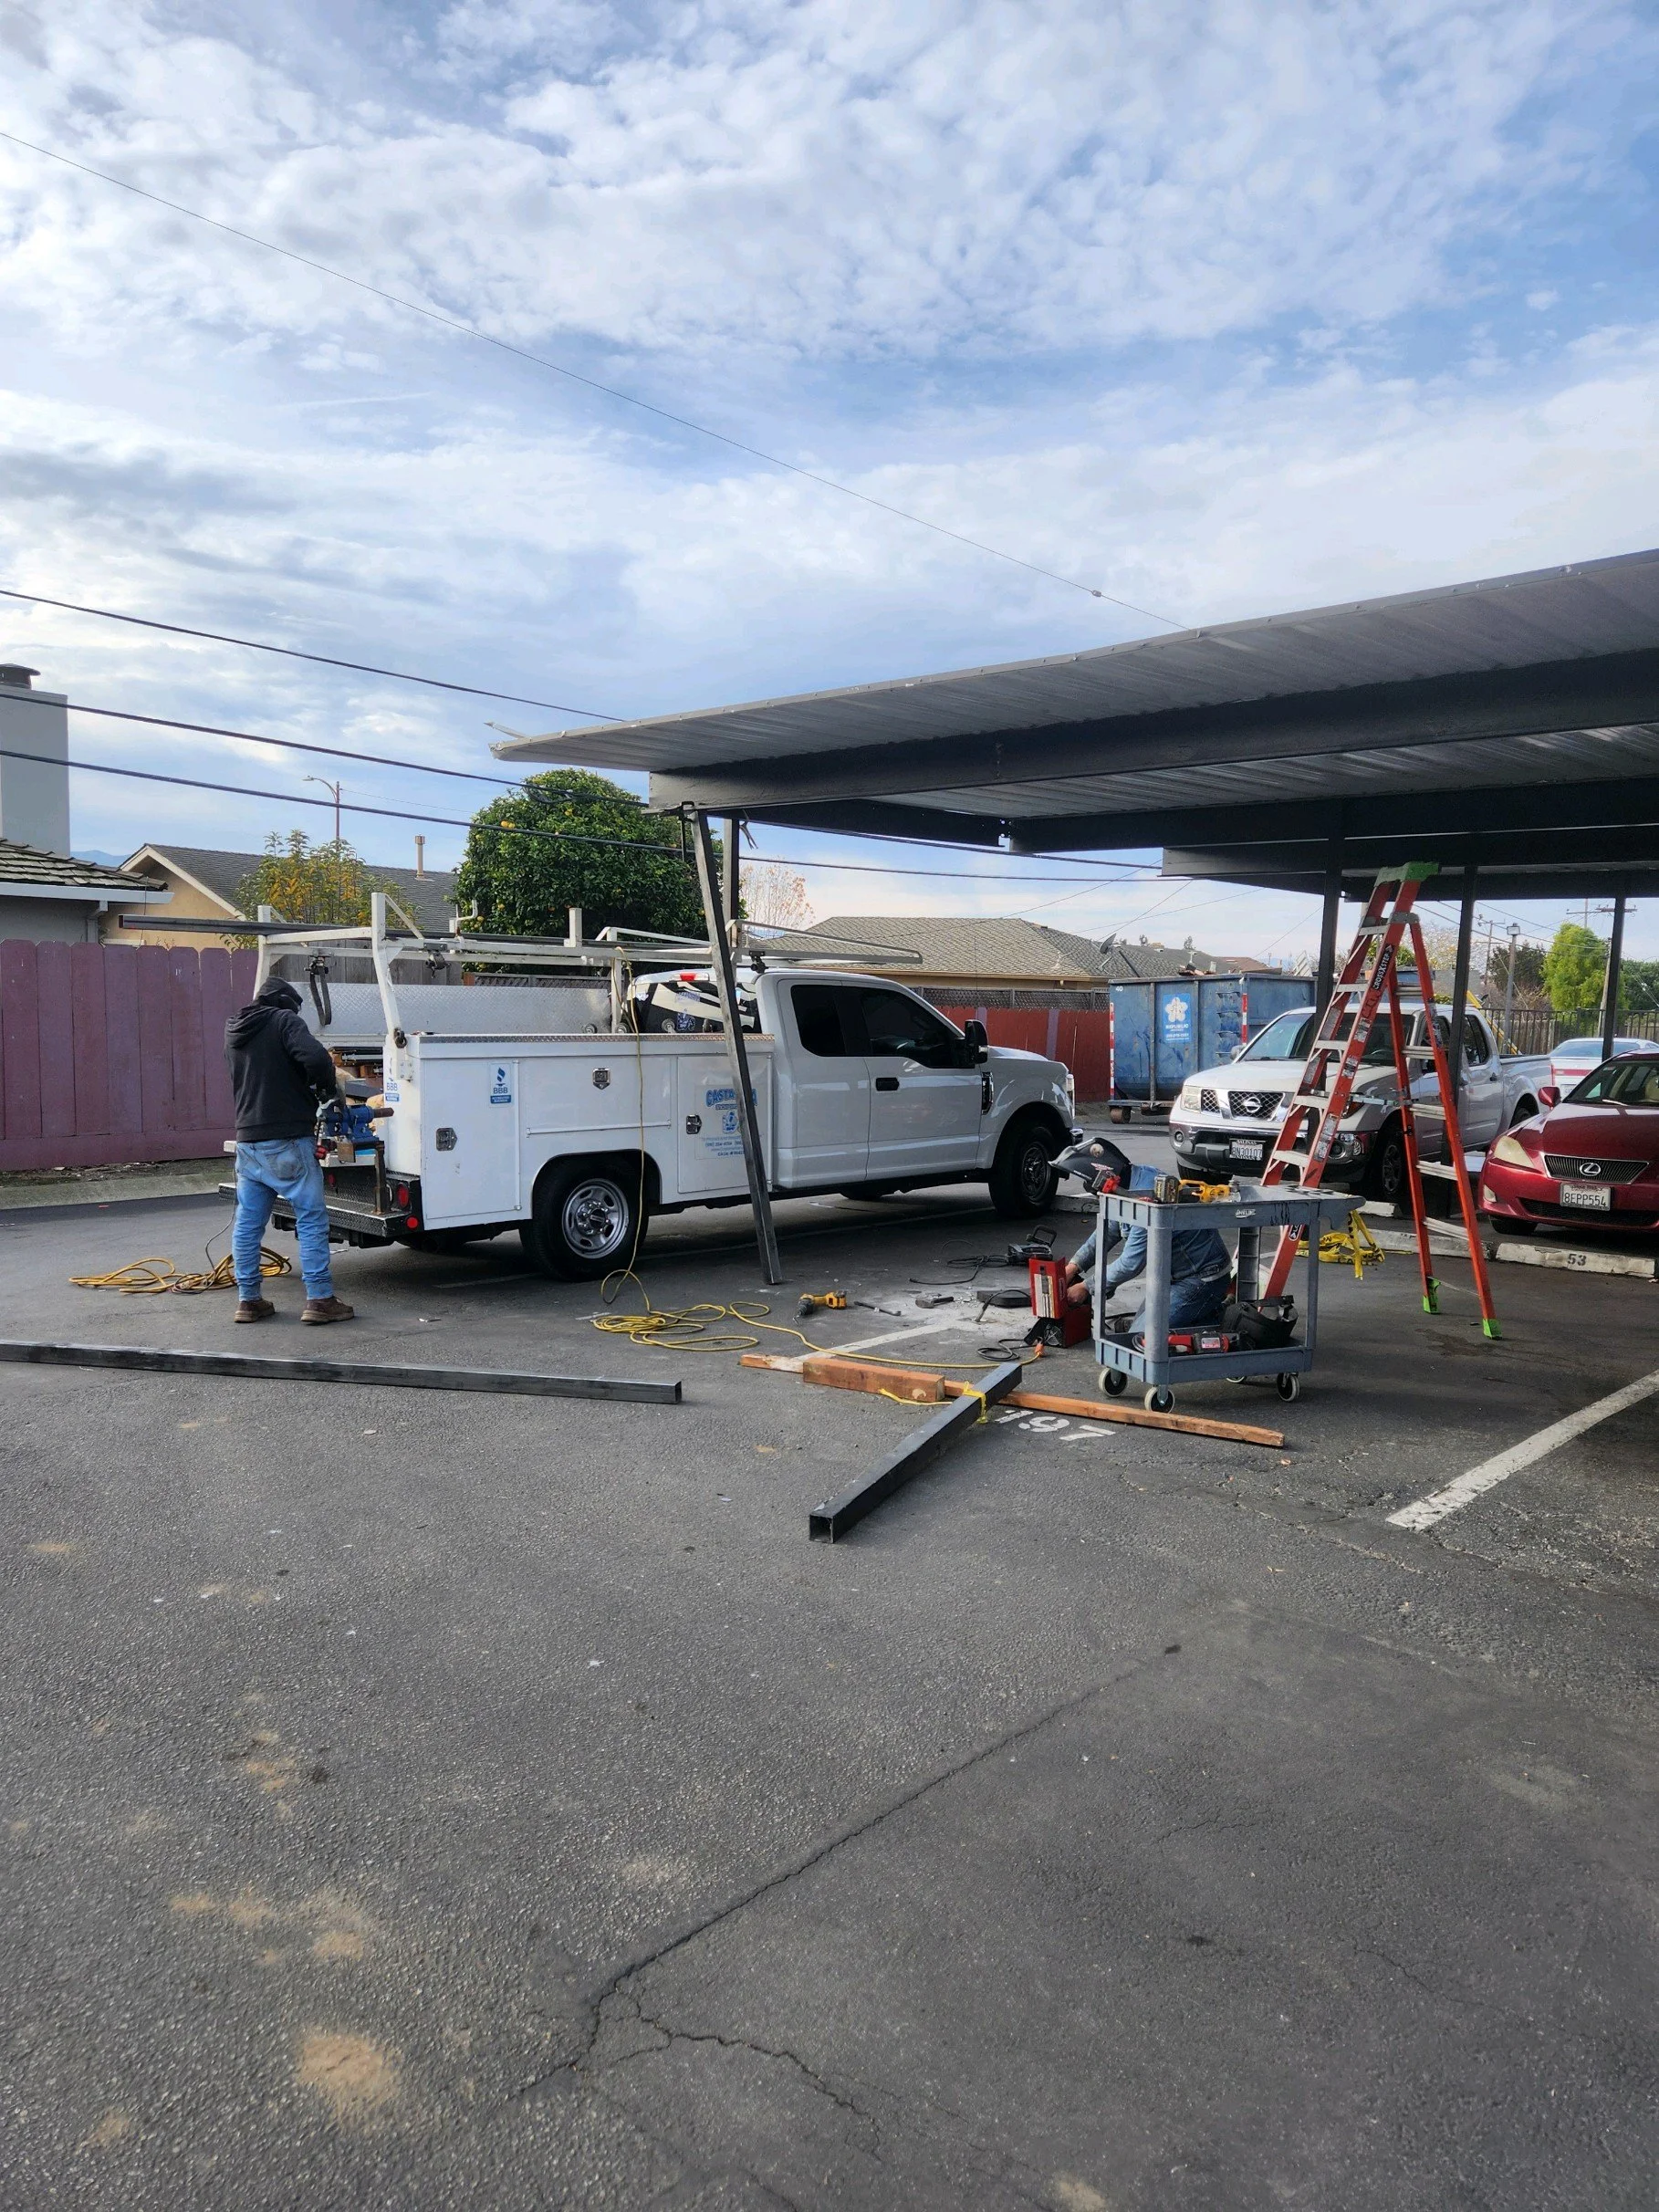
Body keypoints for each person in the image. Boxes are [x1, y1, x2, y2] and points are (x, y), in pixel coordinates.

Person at [224, 977, 354, 1325]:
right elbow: (314, 1058)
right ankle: (320, 1299)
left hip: (248, 1141)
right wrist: (325, 1088)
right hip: (287, 1140)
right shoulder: (284, 1021)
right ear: (284, 1004)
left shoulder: (235, 1027)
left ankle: (249, 1300)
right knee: (311, 1218)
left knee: (249, 1224)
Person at [1063, 1162, 1232, 1328]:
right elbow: (1108, 1231)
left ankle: (1221, 1317)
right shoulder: (1128, 1186)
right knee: (1137, 1331)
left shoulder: (1145, 1200)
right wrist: (1073, 1267)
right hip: (1172, 1278)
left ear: (1108, 1177)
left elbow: (1130, 1264)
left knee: (1141, 1338)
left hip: (1203, 1279)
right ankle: (1203, 1314)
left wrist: (1086, 1286)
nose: (1097, 1193)